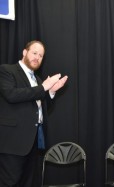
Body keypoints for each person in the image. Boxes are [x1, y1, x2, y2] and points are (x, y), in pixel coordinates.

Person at [0, 40, 68, 187]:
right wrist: (43, 87)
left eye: (41, 55)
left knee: (28, 183)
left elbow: (41, 108)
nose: (37, 57)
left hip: (33, 143)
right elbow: (11, 95)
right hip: (12, 144)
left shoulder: (37, 79)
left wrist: (50, 92)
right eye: (34, 53)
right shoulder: (7, 70)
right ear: (25, 52)